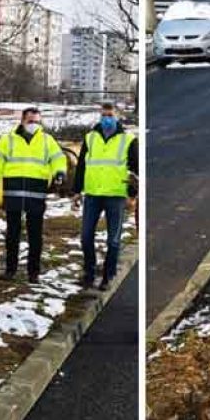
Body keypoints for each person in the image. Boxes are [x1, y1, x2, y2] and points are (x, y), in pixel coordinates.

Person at [0, 107, 67, 283]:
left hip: (36, 192)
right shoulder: (8, 140)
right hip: (13, 192)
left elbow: (58, 158)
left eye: (37, 121)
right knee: (12, 233)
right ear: (22, 121)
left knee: (35, 234)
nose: (34, 125)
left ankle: (33, 272)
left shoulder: (47, 140)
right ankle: (10, 270)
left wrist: (59, 172)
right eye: (30, 121)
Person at [73, 102, 138, 290]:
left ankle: (108, 276)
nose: (106, 119)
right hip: (93, 194)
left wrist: (132, 195)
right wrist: (77, 191)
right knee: (86, 237)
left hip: (116, 196)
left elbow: (135, 171)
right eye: (103, 115)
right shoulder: (90, 138)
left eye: (110, 115)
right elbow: (82, 166)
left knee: (113, 240)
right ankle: (89, 272)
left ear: (117, 116)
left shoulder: (128, 139)